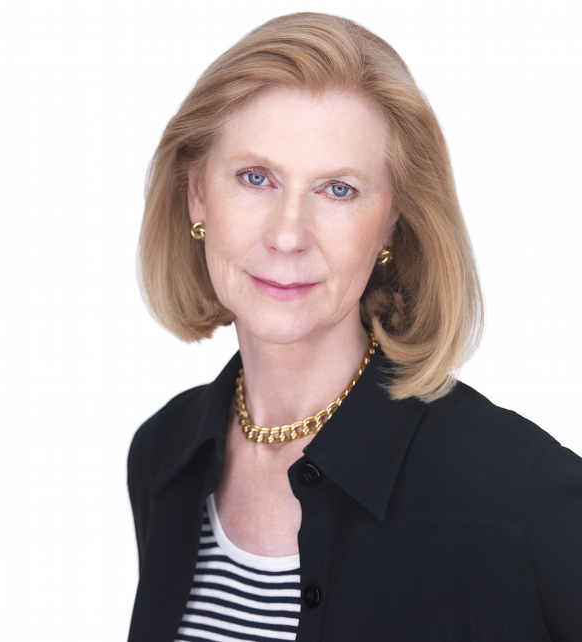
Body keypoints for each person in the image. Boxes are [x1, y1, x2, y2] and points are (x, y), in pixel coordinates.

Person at [127, 13, 582, 642]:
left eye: (338, 190)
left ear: (393, 222)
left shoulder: (518, 492)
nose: (288, 235)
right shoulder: (162, 456)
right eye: (256, 178)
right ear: (197, 194)